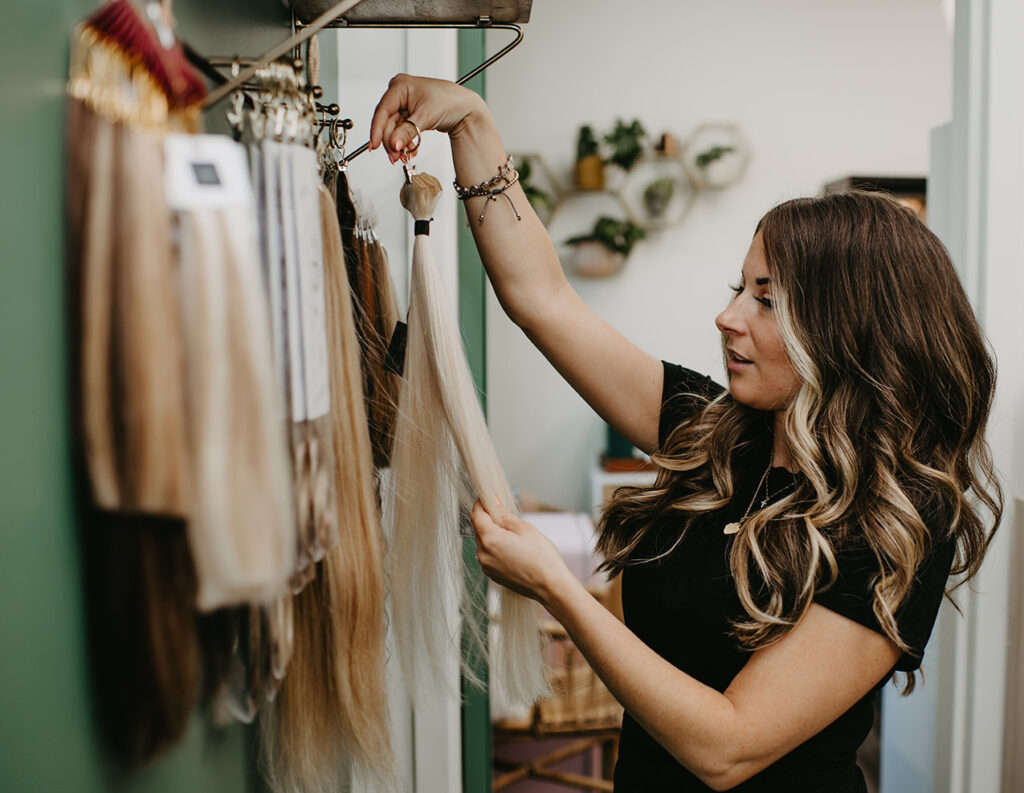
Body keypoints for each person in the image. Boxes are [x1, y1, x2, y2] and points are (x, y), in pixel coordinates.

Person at [369, 74, 1003, 792]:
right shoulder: (716, 432)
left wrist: (555, 584)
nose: (729, 317)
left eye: (767, 301)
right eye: (740, 288)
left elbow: (727, 746)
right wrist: (470, 121)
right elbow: (541, 298)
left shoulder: (895, 526)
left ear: (846, 335)